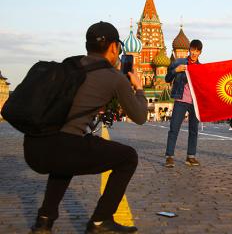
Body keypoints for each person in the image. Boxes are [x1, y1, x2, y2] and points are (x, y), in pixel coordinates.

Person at [24, 21, 148, 234]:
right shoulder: (115, 78)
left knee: (66, 158)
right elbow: (140, 116)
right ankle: (101, 221)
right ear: (114, 47)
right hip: (63, 148)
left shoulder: (70, 65)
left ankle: (44, 221)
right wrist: (138, 88)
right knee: (128, 157)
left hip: (34, 147)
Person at [164, 40, 203, 168]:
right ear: (189, 50)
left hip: (194, 103)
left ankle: (190, 157)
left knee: (194, 130)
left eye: (197, 51)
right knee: (174, 129)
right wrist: (176, 70)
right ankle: (169, 157)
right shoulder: (179, 62)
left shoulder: (201, 67)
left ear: (200, 52)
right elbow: (167, 78)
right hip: (181, 100)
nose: (194, 53)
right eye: (192, 50)